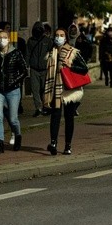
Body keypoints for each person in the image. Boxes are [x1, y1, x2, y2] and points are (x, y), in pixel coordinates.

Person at [43, 27, 89, 155]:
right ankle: (53, 143)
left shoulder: (72, 52)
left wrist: (71, 65)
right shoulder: (51, 53)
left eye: (61, 35)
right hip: (55, 89)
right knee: (55, 116)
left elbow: (84, 68)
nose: (59, 37)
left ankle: (68, 146)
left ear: (66, 37)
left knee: (69, 117)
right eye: (57, 35)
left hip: (69, 89)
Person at [0, 30, 28, 153]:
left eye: (4, 38)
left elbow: (24, 71)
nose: (1, 40)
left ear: (9, 39)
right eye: (0, 38)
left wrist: (14, 81)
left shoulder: (16, 53)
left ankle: (18, 136)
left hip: (13, 90)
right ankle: (0, 143)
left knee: (13, 118)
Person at [25, 21, 51, 117]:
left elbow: (52, 52)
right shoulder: (31, 41)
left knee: (44, 89)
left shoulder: (47, 41)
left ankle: (46, 106)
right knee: (35, 89)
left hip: (45, 69)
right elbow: (28, 54)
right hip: (34, 68)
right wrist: (26, 66)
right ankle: (38, 108)